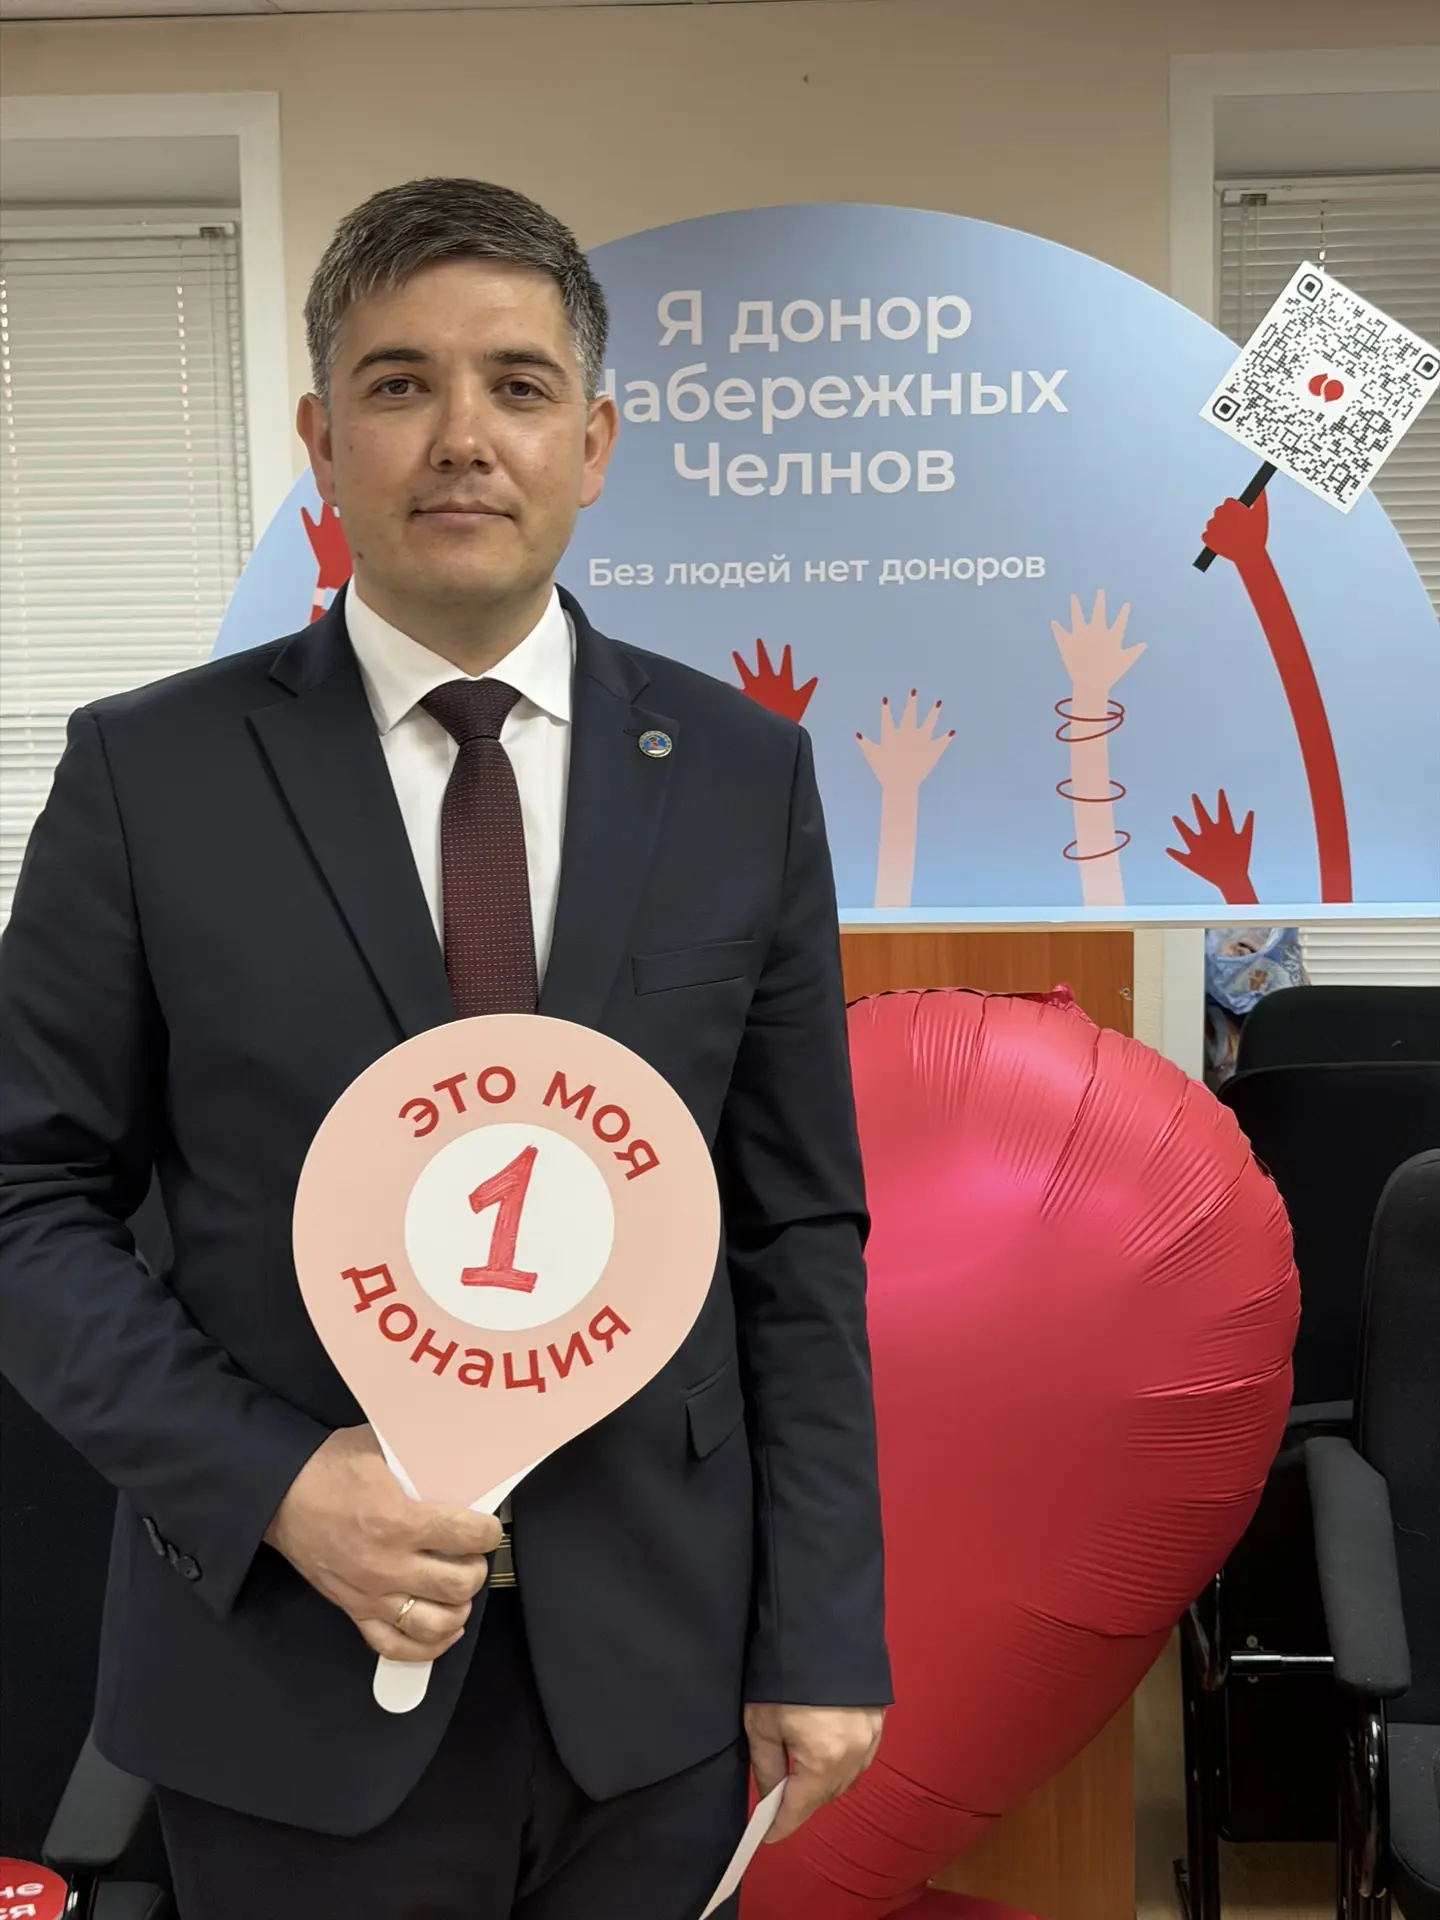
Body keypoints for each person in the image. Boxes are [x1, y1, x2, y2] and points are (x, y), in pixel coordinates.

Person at [0, 177, 890, 1918]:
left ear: (595, 442)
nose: (463, 436)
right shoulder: (147, 776)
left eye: (519, 385)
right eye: (401, 384)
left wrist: (824, 1627)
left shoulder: (739, 775)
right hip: (282, 1676)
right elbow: (26, 1201)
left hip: (660, 1686)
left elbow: (796, 1232)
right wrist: (272, 1484)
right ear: (322, 442)